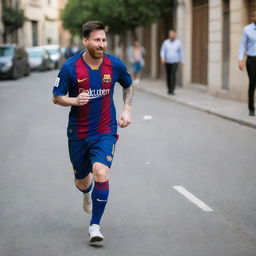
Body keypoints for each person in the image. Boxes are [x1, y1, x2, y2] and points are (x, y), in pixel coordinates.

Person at [52, 21, 133, 244]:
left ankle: (95, 225)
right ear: (85, 41)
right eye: (97, 40)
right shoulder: (70, 67)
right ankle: (87, 193)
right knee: (82, 180)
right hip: (78, 132)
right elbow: (56, 96)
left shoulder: (114, 65)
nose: (101, 44)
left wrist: (127, 108)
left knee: (100, 172)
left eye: (104, 40)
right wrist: (73, 100)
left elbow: (127, 84)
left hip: (105, 130)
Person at [238, 10, 256, 116]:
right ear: (253, 17)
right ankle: (251, 108)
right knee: (253, 83)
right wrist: (240, 60)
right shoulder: (247, 29)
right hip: (251, 60)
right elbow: (242, 46)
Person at [160, 30, 184, 95]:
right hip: (167, 61)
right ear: (169, 35)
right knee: (168, 75)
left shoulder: (178, 43)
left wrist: (182, 61)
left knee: (173, 75)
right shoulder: (166, 42)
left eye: (173, 34)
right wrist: (162, 58)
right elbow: (162, 51)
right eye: (170, 34)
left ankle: (172, 90)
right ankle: (169, 88)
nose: (172, 36)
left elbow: (181, 52)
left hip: (175, 61)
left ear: (175, 35)